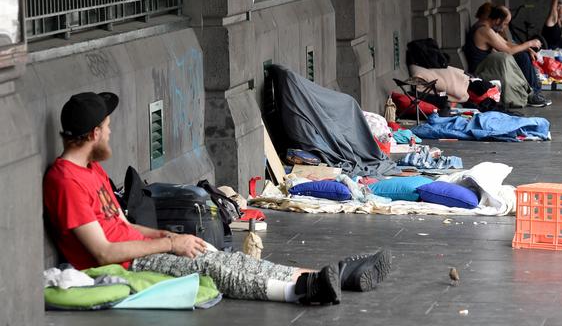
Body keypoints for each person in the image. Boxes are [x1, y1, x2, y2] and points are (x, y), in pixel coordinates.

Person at [43, 92, 392, 306]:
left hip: (139, 252)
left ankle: (328, 278)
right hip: (121, 266)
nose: (110, 132)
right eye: (106, 127)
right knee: (214, 268)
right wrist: (168, 246)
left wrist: (170, 237)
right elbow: (102, 252)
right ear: (92, 134)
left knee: (224, 257)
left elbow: (124, 227)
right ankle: (305, 289)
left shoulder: (93, 170)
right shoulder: (65, 181)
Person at [464, 7, 550, 107]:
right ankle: (533, 93)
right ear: (498, 20)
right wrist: (529, 43)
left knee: (523, 55)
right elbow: (508, 51)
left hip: (488, 64)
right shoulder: (484, 30)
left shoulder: (488, 28)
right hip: (481, 68)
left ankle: (534, 91)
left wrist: (527, 48)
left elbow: (506, 43)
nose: (505, 27)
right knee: (521, 57)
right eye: (505, 23)